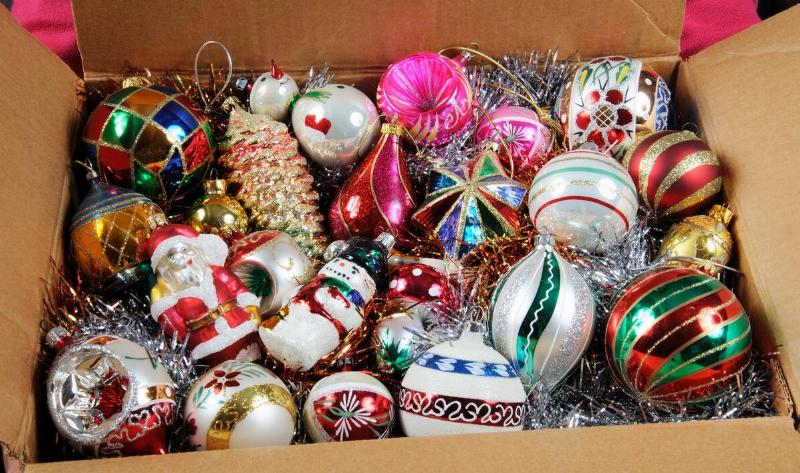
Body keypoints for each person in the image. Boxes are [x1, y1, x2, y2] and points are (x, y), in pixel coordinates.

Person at [147, 224, 262, 366]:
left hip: (243, 326)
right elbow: (176, 329)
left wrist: (252, 308)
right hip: (208, 346)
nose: (180, 257)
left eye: (184, 249)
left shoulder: (216, 271)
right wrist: (192, 343)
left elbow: (239, 290)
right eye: (172, 255)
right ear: (163, 265)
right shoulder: (167, 296)